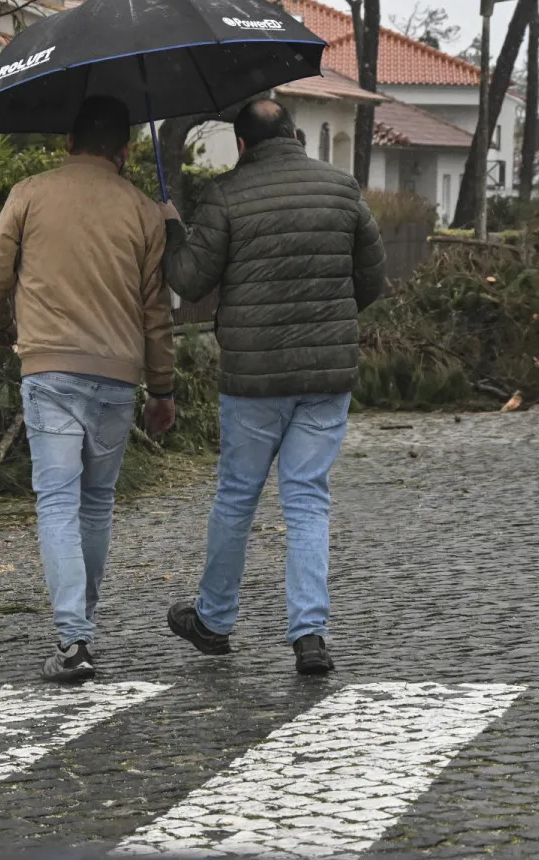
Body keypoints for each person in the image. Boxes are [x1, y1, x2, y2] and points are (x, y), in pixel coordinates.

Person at [158, 98, 384, 676]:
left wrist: (172, 230)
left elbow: (190, 279)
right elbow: (372, 281)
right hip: (326, 376)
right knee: (307, 498)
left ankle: (213, 620)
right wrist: (332, 319)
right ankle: (310, 635)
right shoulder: (343, 189)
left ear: (241, 145)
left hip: (253, 380)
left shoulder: (226, 195)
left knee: (238, 496)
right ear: (296, 136)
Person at [0, 95, 178, 682]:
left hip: (50, 373)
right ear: (125, 150)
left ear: (68, 143)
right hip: (117, 378)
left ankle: (73, 642)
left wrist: (2, 329)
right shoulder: (143, 211)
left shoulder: (30, 193)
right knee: (95, 505)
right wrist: (162, 389)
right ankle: (80, 625)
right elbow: (156, 312)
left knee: (58, 502)